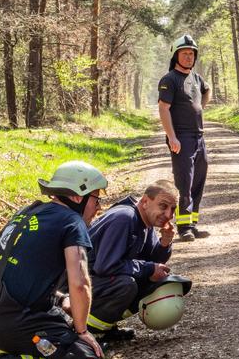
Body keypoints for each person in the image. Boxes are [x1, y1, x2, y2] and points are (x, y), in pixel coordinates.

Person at [0, 160, 108, 359]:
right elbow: (80, 283)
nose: (98, 207)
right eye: (96, 199)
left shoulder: (26, 213)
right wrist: (82, 331)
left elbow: (22, 270)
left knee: (65, 330)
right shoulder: (71, 222)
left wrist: (58, 300)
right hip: (14, 320)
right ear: (78, 197)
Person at [86, 180, 178, 343]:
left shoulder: (145, 223)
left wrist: (165, 243)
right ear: (145, 201)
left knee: (154, 281)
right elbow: (105, 266)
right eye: (163, 206)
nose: (169, 215)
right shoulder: (124, 218)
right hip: (72, 286)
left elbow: (152, 262)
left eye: (173, 209)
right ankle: (89, 332)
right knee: (126, 284)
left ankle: (105, 327)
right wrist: (149, 269)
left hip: (96, 281)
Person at [158, 33, 210, 241]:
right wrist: (172, 137)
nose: (189, 57)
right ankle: (183, 227)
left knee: (198, 181)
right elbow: (163, 109)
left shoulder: (196, 78)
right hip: (182, 138)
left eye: (191, 54)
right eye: (185, 53)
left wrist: (200, 107)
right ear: (176, 55)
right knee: (184, 184)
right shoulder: (169, 80)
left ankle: (193, 223)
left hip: (199, 137)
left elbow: (207, 90)